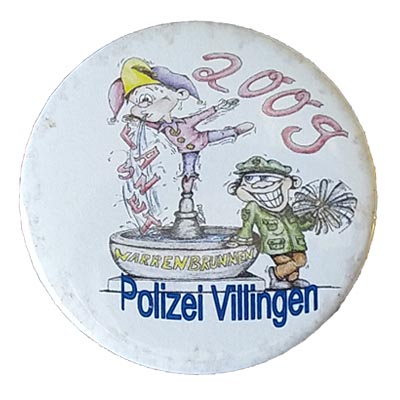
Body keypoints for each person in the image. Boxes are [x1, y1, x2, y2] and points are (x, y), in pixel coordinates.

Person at [108, 58, 254, 193]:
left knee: (221, 134)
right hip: (187, 152)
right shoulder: (162, 128)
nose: (140, 109)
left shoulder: (184, 122)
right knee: (188, 171)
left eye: (145, 99)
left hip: (202, 138)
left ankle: (235, 131)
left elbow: (201, 116)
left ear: (181, 94)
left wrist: (218, 108)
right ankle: (187, 192)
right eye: (135, 104)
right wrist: (136, 120)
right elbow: (150, 124)